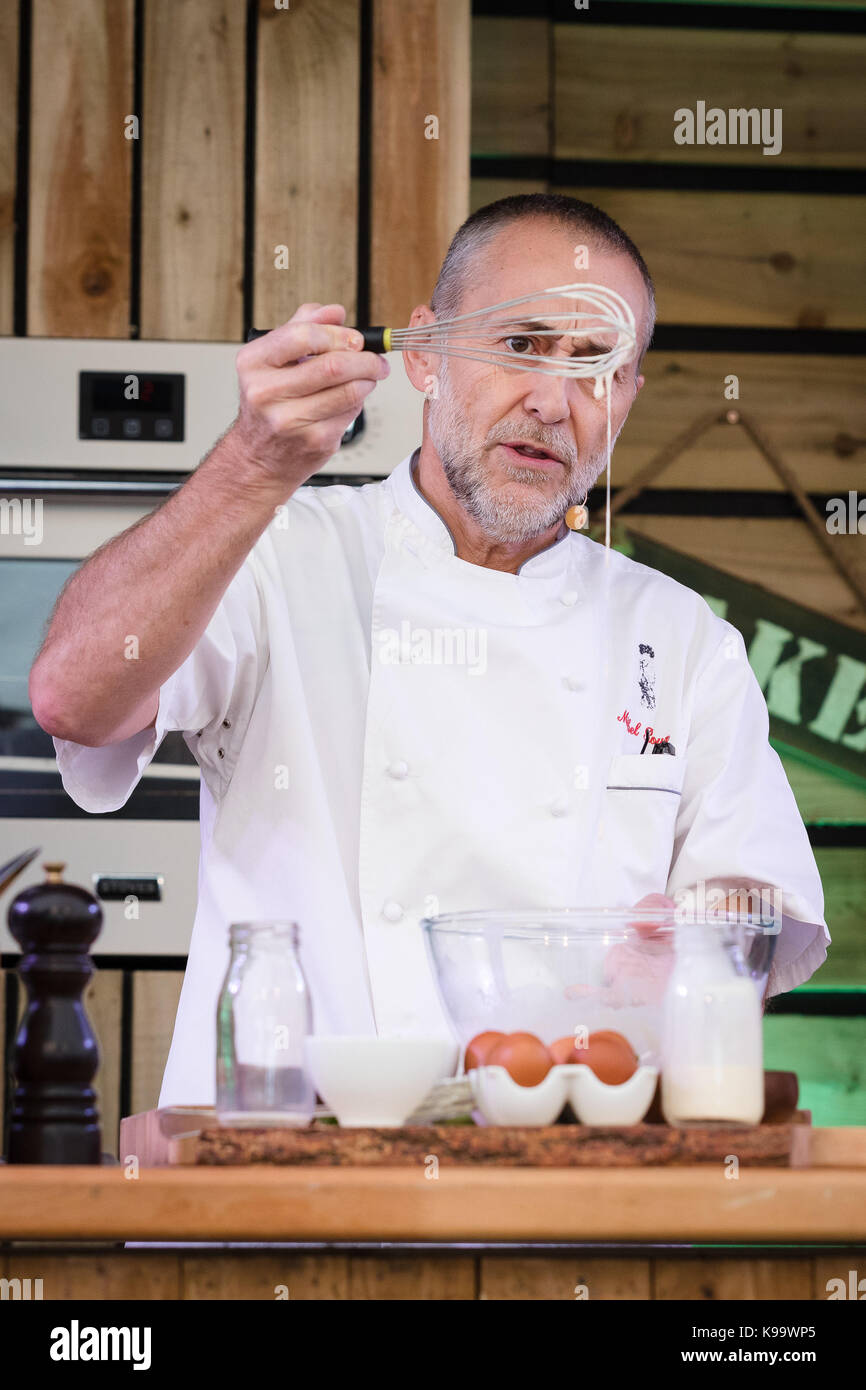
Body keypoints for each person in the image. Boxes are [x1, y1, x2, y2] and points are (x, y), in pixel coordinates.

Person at [30, 194, 828, 1107]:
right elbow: (71, 698)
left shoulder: (686, 641)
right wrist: (251, 466)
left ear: (630, 398)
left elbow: (751, 909)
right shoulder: (275, 558)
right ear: (426, 352)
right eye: (521, 345)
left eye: (596, 366)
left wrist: (704, 941)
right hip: (294, 1189)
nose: (551, 402)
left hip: (571, 1198)